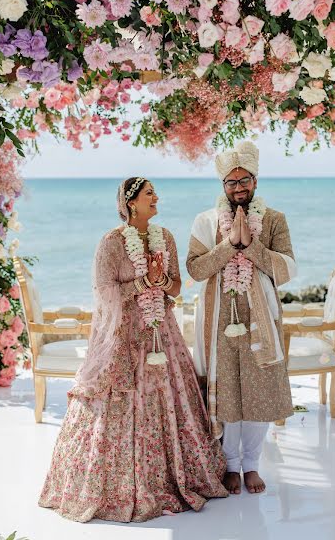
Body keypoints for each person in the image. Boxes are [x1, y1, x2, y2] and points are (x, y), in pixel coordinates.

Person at [39, 177, 227, 523]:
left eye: (155, 192)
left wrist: (160, 282)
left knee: (172, 397)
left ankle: (174, 476)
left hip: (162, 333)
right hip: (125, 336)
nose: (156, 197)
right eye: (149, 193)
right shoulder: (111, 243)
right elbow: (104, 292)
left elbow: (176, 287)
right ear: (130, 203)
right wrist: (142, 282)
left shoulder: (165, 237)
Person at [186, 142, 297, 496]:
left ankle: (252, 465)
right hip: (218, 318)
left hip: (260, 318)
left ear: (255, 180)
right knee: (228, 391)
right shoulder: (205, 221)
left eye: (244, 180)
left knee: (259, 391)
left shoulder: (275, 219)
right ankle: (230, 464)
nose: (238, 188)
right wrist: (228, 244)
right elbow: (195, 269)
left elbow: (287, 269)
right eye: (230, 182)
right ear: (223, 186)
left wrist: (251, 245)